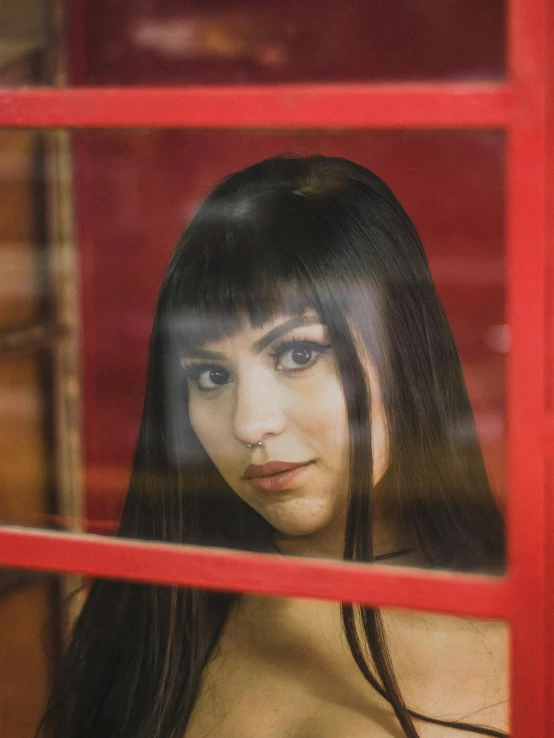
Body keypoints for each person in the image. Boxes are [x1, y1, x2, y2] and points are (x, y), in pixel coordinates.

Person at [37, 155, 507, 738]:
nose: (249, 424)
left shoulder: (527, 635)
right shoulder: (138, 613)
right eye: (211, 376)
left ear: (405, 351)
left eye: (299, 355)